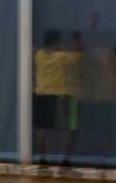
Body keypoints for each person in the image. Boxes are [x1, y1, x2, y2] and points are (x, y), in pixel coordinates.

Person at [33, 30, 82, 171]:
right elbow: (79, 56)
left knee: (42, 129)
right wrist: (77, 39)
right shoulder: (62, 57)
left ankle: (43, 159)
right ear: (58, 42)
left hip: (41, 95)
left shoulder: (39, 55)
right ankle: (65, 160)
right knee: (71, 128)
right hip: (60, 95)